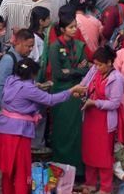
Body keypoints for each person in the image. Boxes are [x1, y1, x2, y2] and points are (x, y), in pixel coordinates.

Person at [0, 58, 84, 194]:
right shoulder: (28, 88)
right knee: (21, 170)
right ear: (32, 74)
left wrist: (37, 87)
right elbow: (50, 99)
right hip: (18, 132)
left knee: (8, 170)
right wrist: (71, 91)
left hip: (5, 129)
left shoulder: (11, 80)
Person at [79, 45, 124, 192]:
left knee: (104, 154)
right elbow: (84, 84)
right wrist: (79, 91)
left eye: (100, 64)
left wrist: (95, 102)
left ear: (110, 62)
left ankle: (106, 187)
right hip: (90, 117)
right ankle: (90, 183)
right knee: (89, 151)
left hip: (105, 119)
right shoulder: (94, 70)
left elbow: (114, 103)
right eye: (95, 64)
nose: (97, 67)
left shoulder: (117, 78)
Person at [47, 10, 89, 172]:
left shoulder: (79, 45)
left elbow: (86, 69)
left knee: (76, 132)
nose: (74, 29)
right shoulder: (55, 46)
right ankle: (60, 169)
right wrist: (76, 70)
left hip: (77, 93)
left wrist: (71, 71)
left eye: (75, 26)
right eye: (71, 27)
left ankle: (77, 170)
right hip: (61, 94)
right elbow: (58, 74)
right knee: (61, 131)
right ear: (63, 29)